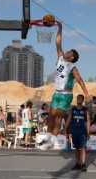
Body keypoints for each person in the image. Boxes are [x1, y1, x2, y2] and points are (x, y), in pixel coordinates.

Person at [38, 22, 91, 150]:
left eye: (69, 51)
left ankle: (53, 140)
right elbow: (58, 42)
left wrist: (87, 94)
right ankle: (47, 138)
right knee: (51, 116)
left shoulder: (73, 67)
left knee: (58, 118)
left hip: (66, 95)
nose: (66, 51)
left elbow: (81, 81)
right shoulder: (61, 58)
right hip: (57, 93)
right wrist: (60, 27)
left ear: (72, 57)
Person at [64, 94, 90, 171]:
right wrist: (65, 128)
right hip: (75, 132)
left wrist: (88, 132)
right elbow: (68, 119)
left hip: (83, 132)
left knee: (83, 148)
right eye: (78, 98)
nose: (78, 99)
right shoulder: (73, 109)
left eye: (80, 98)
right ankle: (78, 163)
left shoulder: (85, 110)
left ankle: (83, 164)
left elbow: (88, 121)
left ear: (82, 100)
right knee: (76, 148)